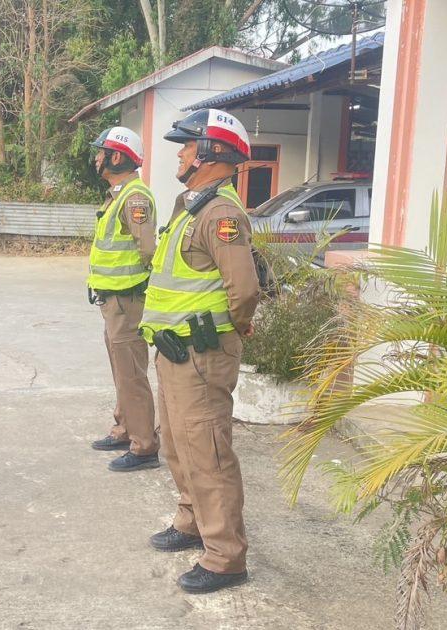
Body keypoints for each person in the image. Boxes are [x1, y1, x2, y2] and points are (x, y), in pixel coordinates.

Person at [140, 109, 260, 593]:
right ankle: (192, 521)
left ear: (211, 153)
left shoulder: (220, 214)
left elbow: (244, 290)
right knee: (177, 444)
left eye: (188, 145)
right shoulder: (190, 207)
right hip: (174, 351)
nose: (181, 154)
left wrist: (236, 329)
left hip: (201, 354)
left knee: (208, 451)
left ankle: (225, 556)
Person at [85, 127, 161, 473]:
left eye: (101, 152)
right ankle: (125, 429)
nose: (96, 158)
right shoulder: (118, 196)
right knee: (122, 370)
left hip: (127, 301)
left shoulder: (134, 198)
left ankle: (144, 446)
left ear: (116, 157)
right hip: (113, 301)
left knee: (131, 374)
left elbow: (148, 251)